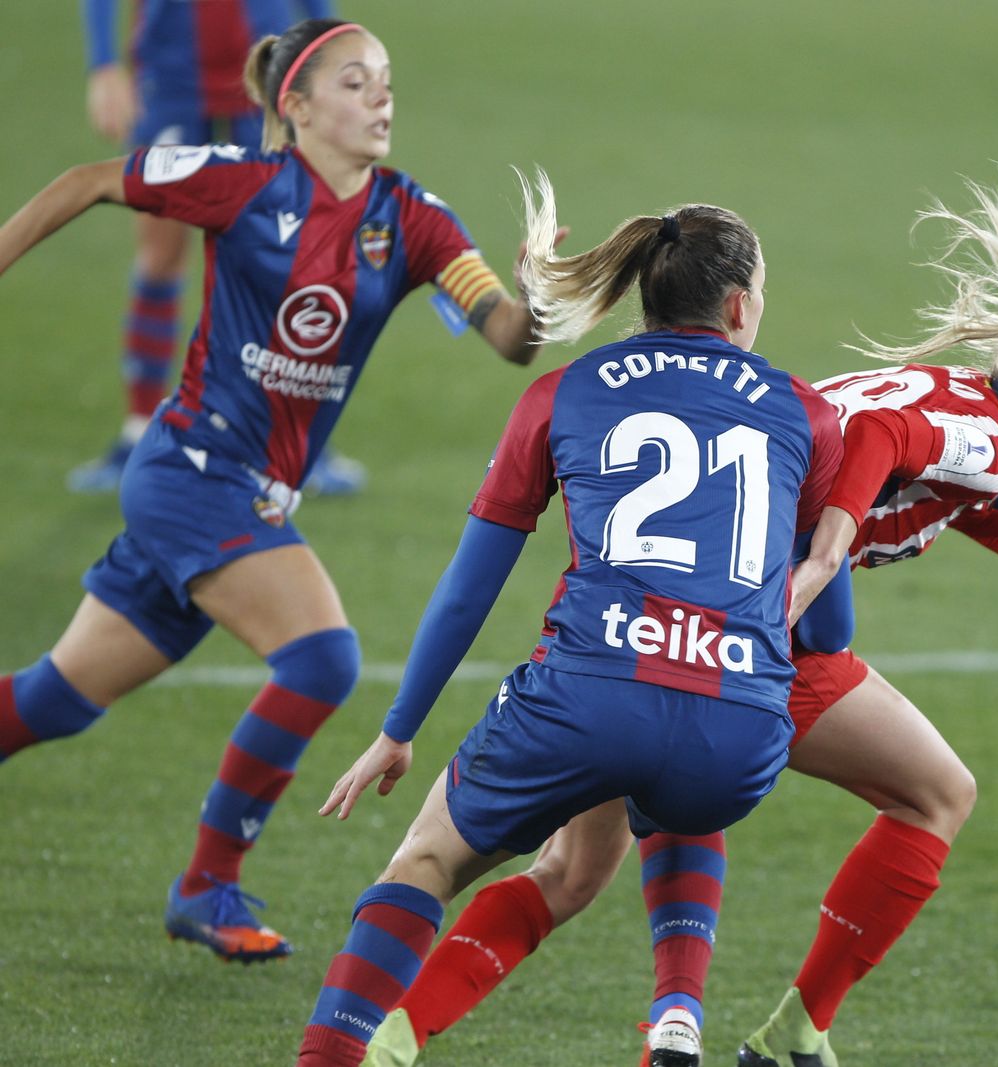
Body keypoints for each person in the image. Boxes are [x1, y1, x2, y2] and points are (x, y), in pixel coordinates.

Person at [357, 140, 998, 1067]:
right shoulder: (977, 434)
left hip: (660, 607)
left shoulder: (973, 416)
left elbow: (968, 500)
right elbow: (880, 439)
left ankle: (398, 1035)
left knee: (572, 869)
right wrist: (832, 547)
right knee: (937, 794)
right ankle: (790, 1030)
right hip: (754, 631)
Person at [0, 19, 545, 963]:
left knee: (55, 699)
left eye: (385, 80)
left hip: (244, 494)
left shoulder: (413, 219)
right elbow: (92, 181)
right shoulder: (243, 183)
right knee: (325, 659)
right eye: (353, 82)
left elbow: (505, 335)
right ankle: (208, 884)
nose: (380, 97)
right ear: (293, 108)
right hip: (190, 473)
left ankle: (204, 883)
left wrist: (535, 298)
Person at [293, 167, 844, 1067]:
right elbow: (821, 618)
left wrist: (398, 731)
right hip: (741, 732)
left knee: (428, 858)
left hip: (591, 696)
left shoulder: (565, 393)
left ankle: (335, 1058)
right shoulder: (808, 414)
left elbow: (470, 587)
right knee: (675, 773)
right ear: (741, 308)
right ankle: (676, 1014)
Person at [74, 0, 369, 496]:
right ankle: (139, 432)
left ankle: (289, 443)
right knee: (161, 251)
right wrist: (104, 63)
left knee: (281, 257)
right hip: (171, 78)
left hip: (267, 74)